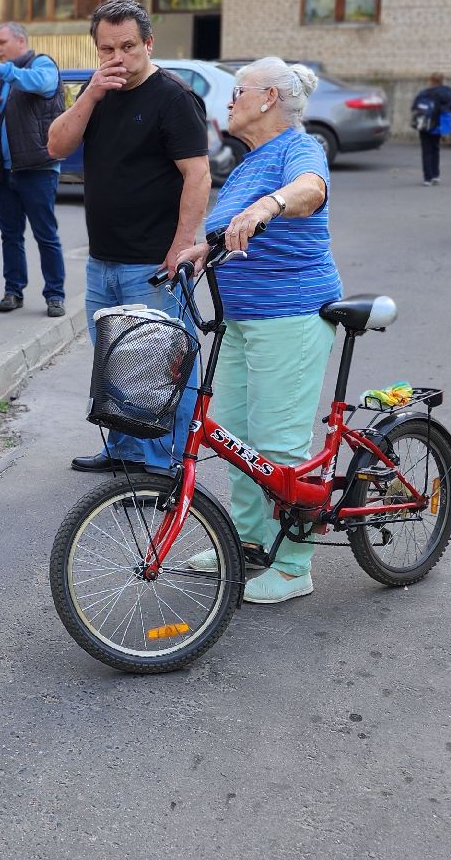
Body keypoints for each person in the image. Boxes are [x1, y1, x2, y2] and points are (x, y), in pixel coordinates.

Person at [174, 56, 344, 606]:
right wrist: (205, 248)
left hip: (289, 318)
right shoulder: (250, 160)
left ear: (269, 98)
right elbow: (235, 232)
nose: (230, 100)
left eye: (239, 91)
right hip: (241, 321)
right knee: (236, 440)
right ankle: (248, 543)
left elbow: (311, 189)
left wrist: (270, 204)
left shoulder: (298, 146)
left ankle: (294, 566)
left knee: (278, 442)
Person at [46, 0, 209, 476]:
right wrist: (91, 93)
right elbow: (55, 145)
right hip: (104, 259)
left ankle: (166, 467)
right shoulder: (98, 93)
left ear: (149, 43)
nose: (117, 57)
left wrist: (181, 245)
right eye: (106, 49)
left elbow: (197, 175)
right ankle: (124, 450)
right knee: (114, 361)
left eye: (128, 46)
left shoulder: (173, 98)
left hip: (152, 263)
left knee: (164, 366)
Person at [0, 21, 65, 316]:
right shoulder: (4, 79)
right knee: (10, 234)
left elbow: (38, 84)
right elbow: (5, 123)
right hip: (7, 170)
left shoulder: (42, 64)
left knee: (45, 234)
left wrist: (1, 69)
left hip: (38, 167)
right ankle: (13, 291)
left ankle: (55, 295)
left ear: (20, 41)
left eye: (2, 42)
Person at [411, 72, 451, 186]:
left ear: (430, 81)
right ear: (443, 81)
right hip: (438, 125)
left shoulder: (424, 93)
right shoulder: (447, 93)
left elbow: (414, 107)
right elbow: (448, 110)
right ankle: (436, 175)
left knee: (426, 151)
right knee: (435, 149)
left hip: (424, 125)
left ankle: (427, 178)